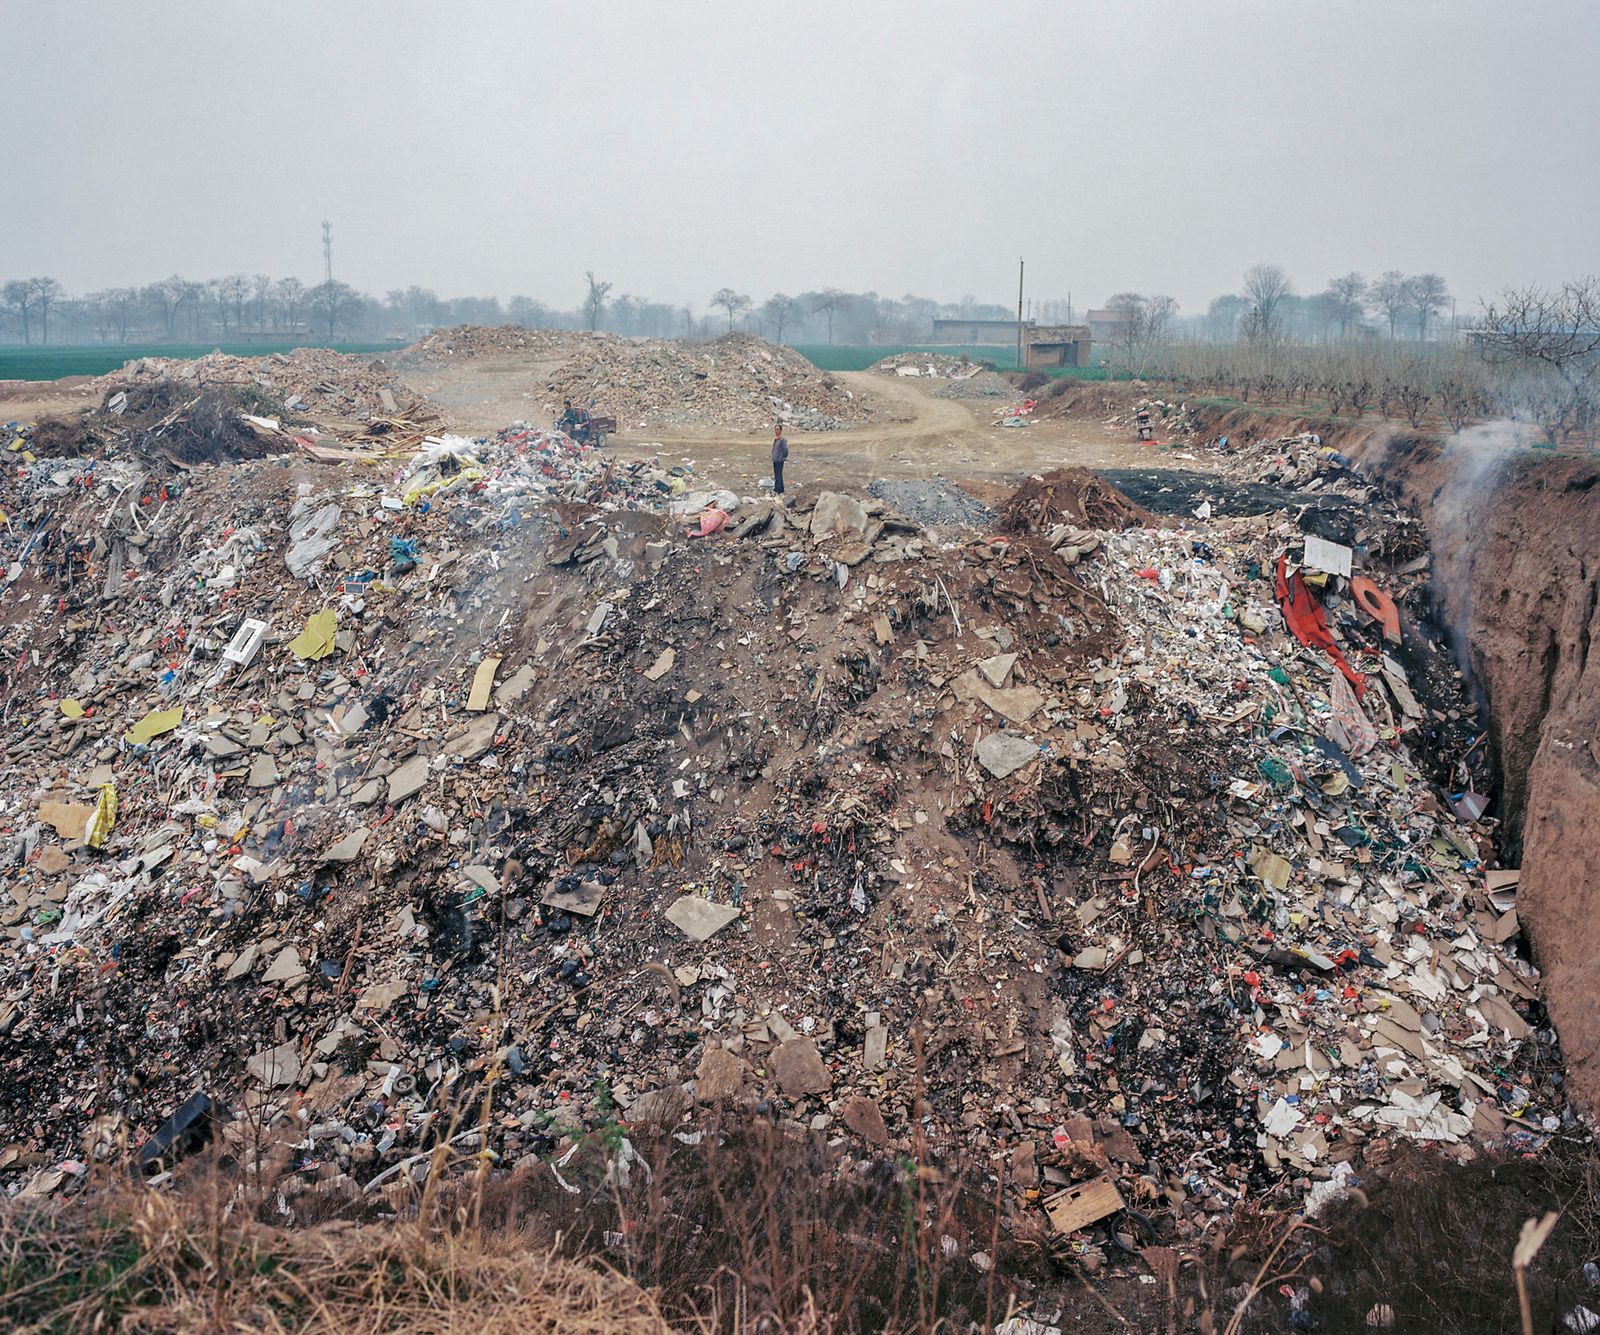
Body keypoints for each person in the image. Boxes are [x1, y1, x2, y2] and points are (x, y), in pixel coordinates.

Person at [770, 423, 788, 496]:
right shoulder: (776, 439)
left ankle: (777, 489)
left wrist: (783, 457)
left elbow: (785, 450)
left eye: (778, 429)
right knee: (777, 474)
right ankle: (781, 488)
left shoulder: (782, 440)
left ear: (781, 430)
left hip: (779, 460)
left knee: (778, 475)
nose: (776, 431)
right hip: (775, 459)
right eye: (775, 430)